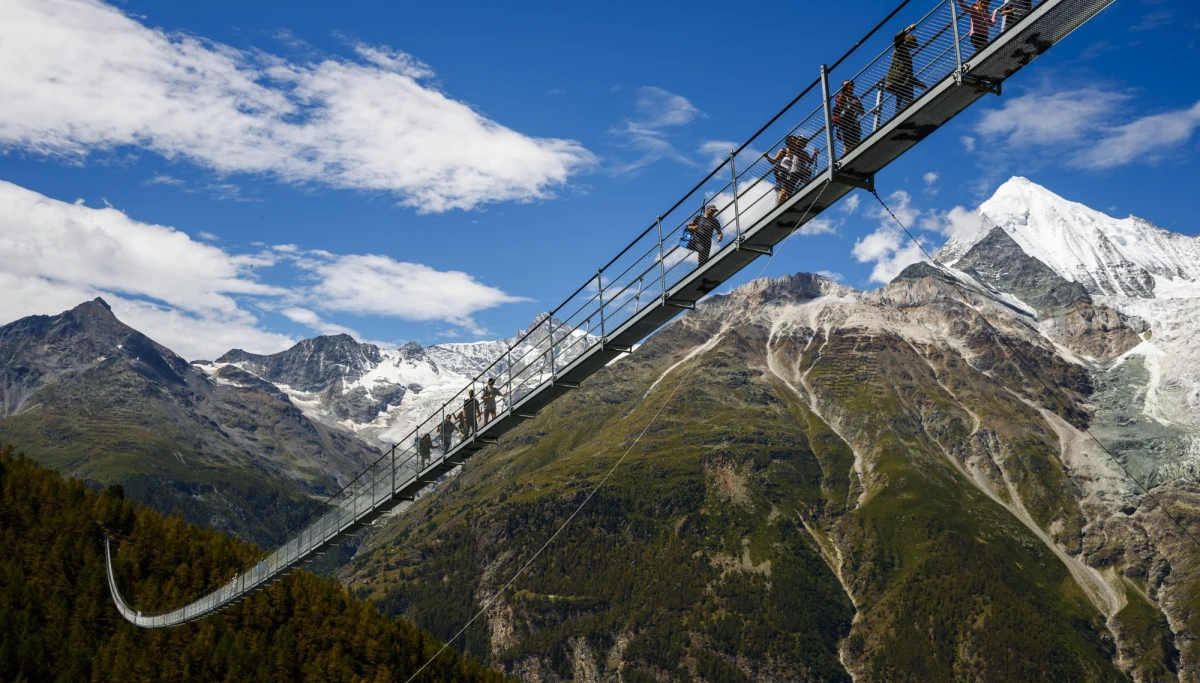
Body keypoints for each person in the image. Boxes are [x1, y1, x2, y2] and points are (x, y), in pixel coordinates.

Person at [885, 24, 927, 115]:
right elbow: (897, 37)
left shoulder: (907, 54)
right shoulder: (899, 47)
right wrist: (908, 29)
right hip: (899, 80)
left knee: (901, 100)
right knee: (908, 98)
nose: (913, 46)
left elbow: (908, 74)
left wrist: (919, 84)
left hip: (901, 80)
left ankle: (897, 119)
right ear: (907, 40)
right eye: (913, 43)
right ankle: (902, 119)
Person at [766, 135, 817, 205]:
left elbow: (809, 161)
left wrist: (814, 154)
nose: (794, 141)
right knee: (784, 191)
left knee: (789, 193)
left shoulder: (798, 152)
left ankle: (787, 206)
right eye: (792, 140)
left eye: (794, 140)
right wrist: (767, 156)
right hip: (781, 171)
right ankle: (778, 207)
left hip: (790, 173)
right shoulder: (784, 150)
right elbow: (773, 162)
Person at [832, 79, 865, 154]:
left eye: (850, 85)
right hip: (844, 122)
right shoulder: (840, 96)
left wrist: (857, 104)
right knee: (848, 144)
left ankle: (857, 155)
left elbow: (862, 112)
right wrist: (844, 91)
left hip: (854, 122)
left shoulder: (856, 99)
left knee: (857, 142)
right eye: (846, 85)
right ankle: (847, 156)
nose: (849, 87)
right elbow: (840, 101)